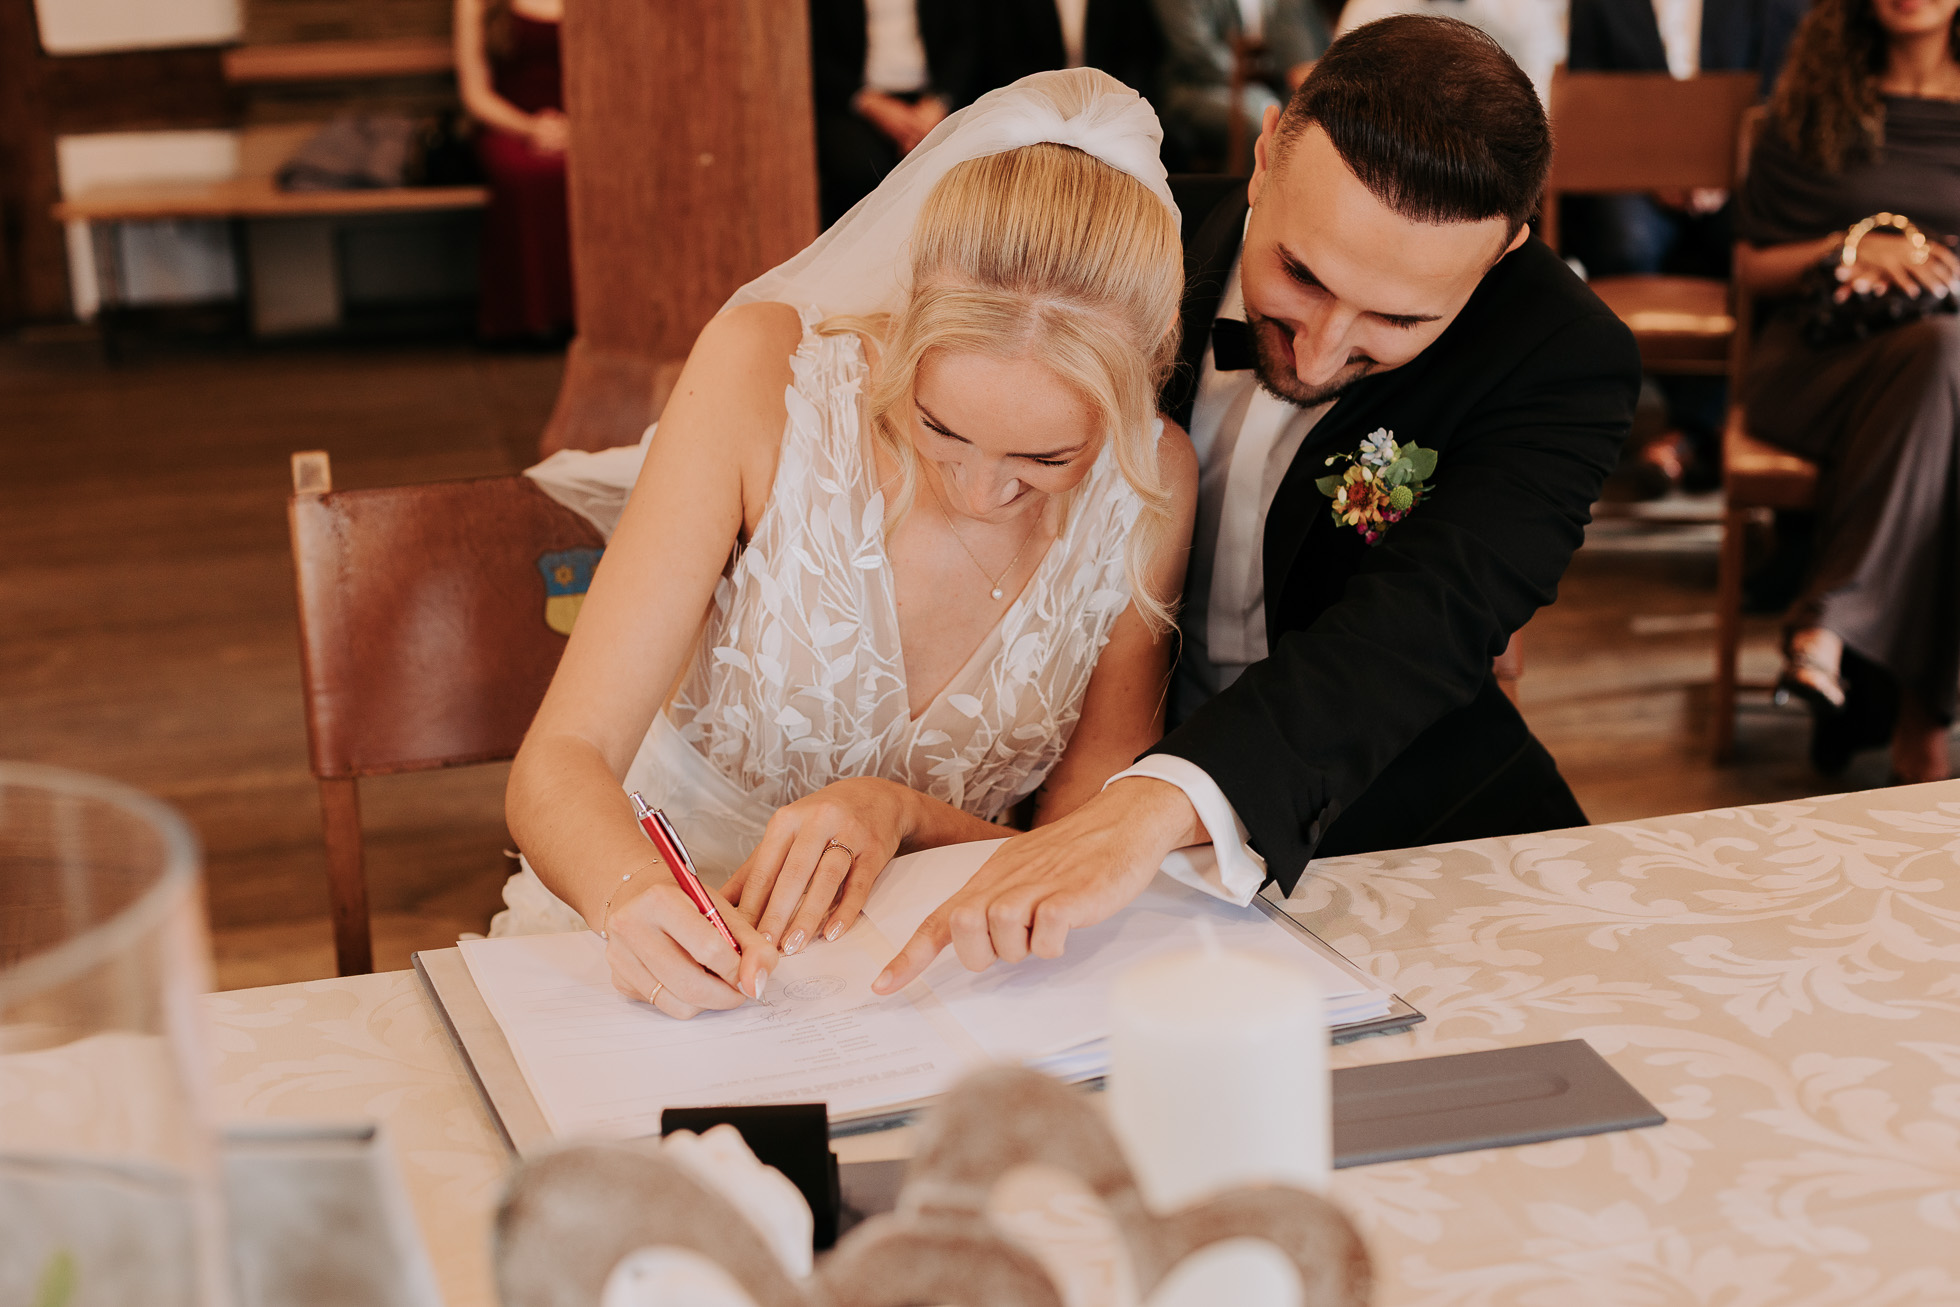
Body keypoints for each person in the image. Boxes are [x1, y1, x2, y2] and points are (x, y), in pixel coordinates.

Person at [872, 17, 1641, 997]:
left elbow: (1424, 625)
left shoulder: (1562, 355)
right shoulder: (1114, 247)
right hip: (1063, 814)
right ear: (1266, 151)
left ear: (1500, 256)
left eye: (1398, 320)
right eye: (1300, 277)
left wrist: (1153, 805)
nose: (1316, 356)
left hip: (1395, 833)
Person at [500, 70, 1199, 1018]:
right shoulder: (763, 381)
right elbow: (559, 763)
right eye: (940, 428)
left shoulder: (1152, 481)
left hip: (943, 975)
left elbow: (1087, 836)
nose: (979, 490)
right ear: (909, 306)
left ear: (1153, 348)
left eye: (1046, 458)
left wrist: (904, 814)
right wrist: (632, 899)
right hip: (661, 942)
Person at [1733, 0, 1960, 782]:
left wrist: (1936, 262)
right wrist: (1857, 246)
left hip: (1940, 364)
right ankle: (1922, 726)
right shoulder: (1813, 101)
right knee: (1941, 377)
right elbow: (1751, 266)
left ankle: (1828, 629)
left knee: (1940, 359)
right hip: (1815, 361)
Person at [1563, 0, 1813, 494]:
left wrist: (1721, 174)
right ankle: (1705, 429)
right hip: (1636, 177)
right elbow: (1588, 94)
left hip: (1737, 176)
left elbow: (1780, 90)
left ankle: (1688, 433)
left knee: (1757, 243)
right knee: (1623, 239)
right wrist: (1654, 169)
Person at [454, 0, 575, 341]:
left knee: (595, 174)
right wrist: (531, 129)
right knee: (526, 175)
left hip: (583, 122)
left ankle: (594, 314)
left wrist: (577, 127)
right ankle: (527, 317)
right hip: (509, 123)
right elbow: (474, 93)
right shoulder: (477, 4)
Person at [810, 0, 988, 225]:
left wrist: (936, 104)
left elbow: (967, 41)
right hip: (860, 101)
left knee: (960, 163)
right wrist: (870, 103)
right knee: (860, 169)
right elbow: (818, 51)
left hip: (934, 99)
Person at [1152, 0, 1332, 166]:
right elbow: (1195, 52)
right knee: (1258, 124)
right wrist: (1243, 75)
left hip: (1236, 87)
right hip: (1190, 89)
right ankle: (1242, 196)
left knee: (1283, 115)